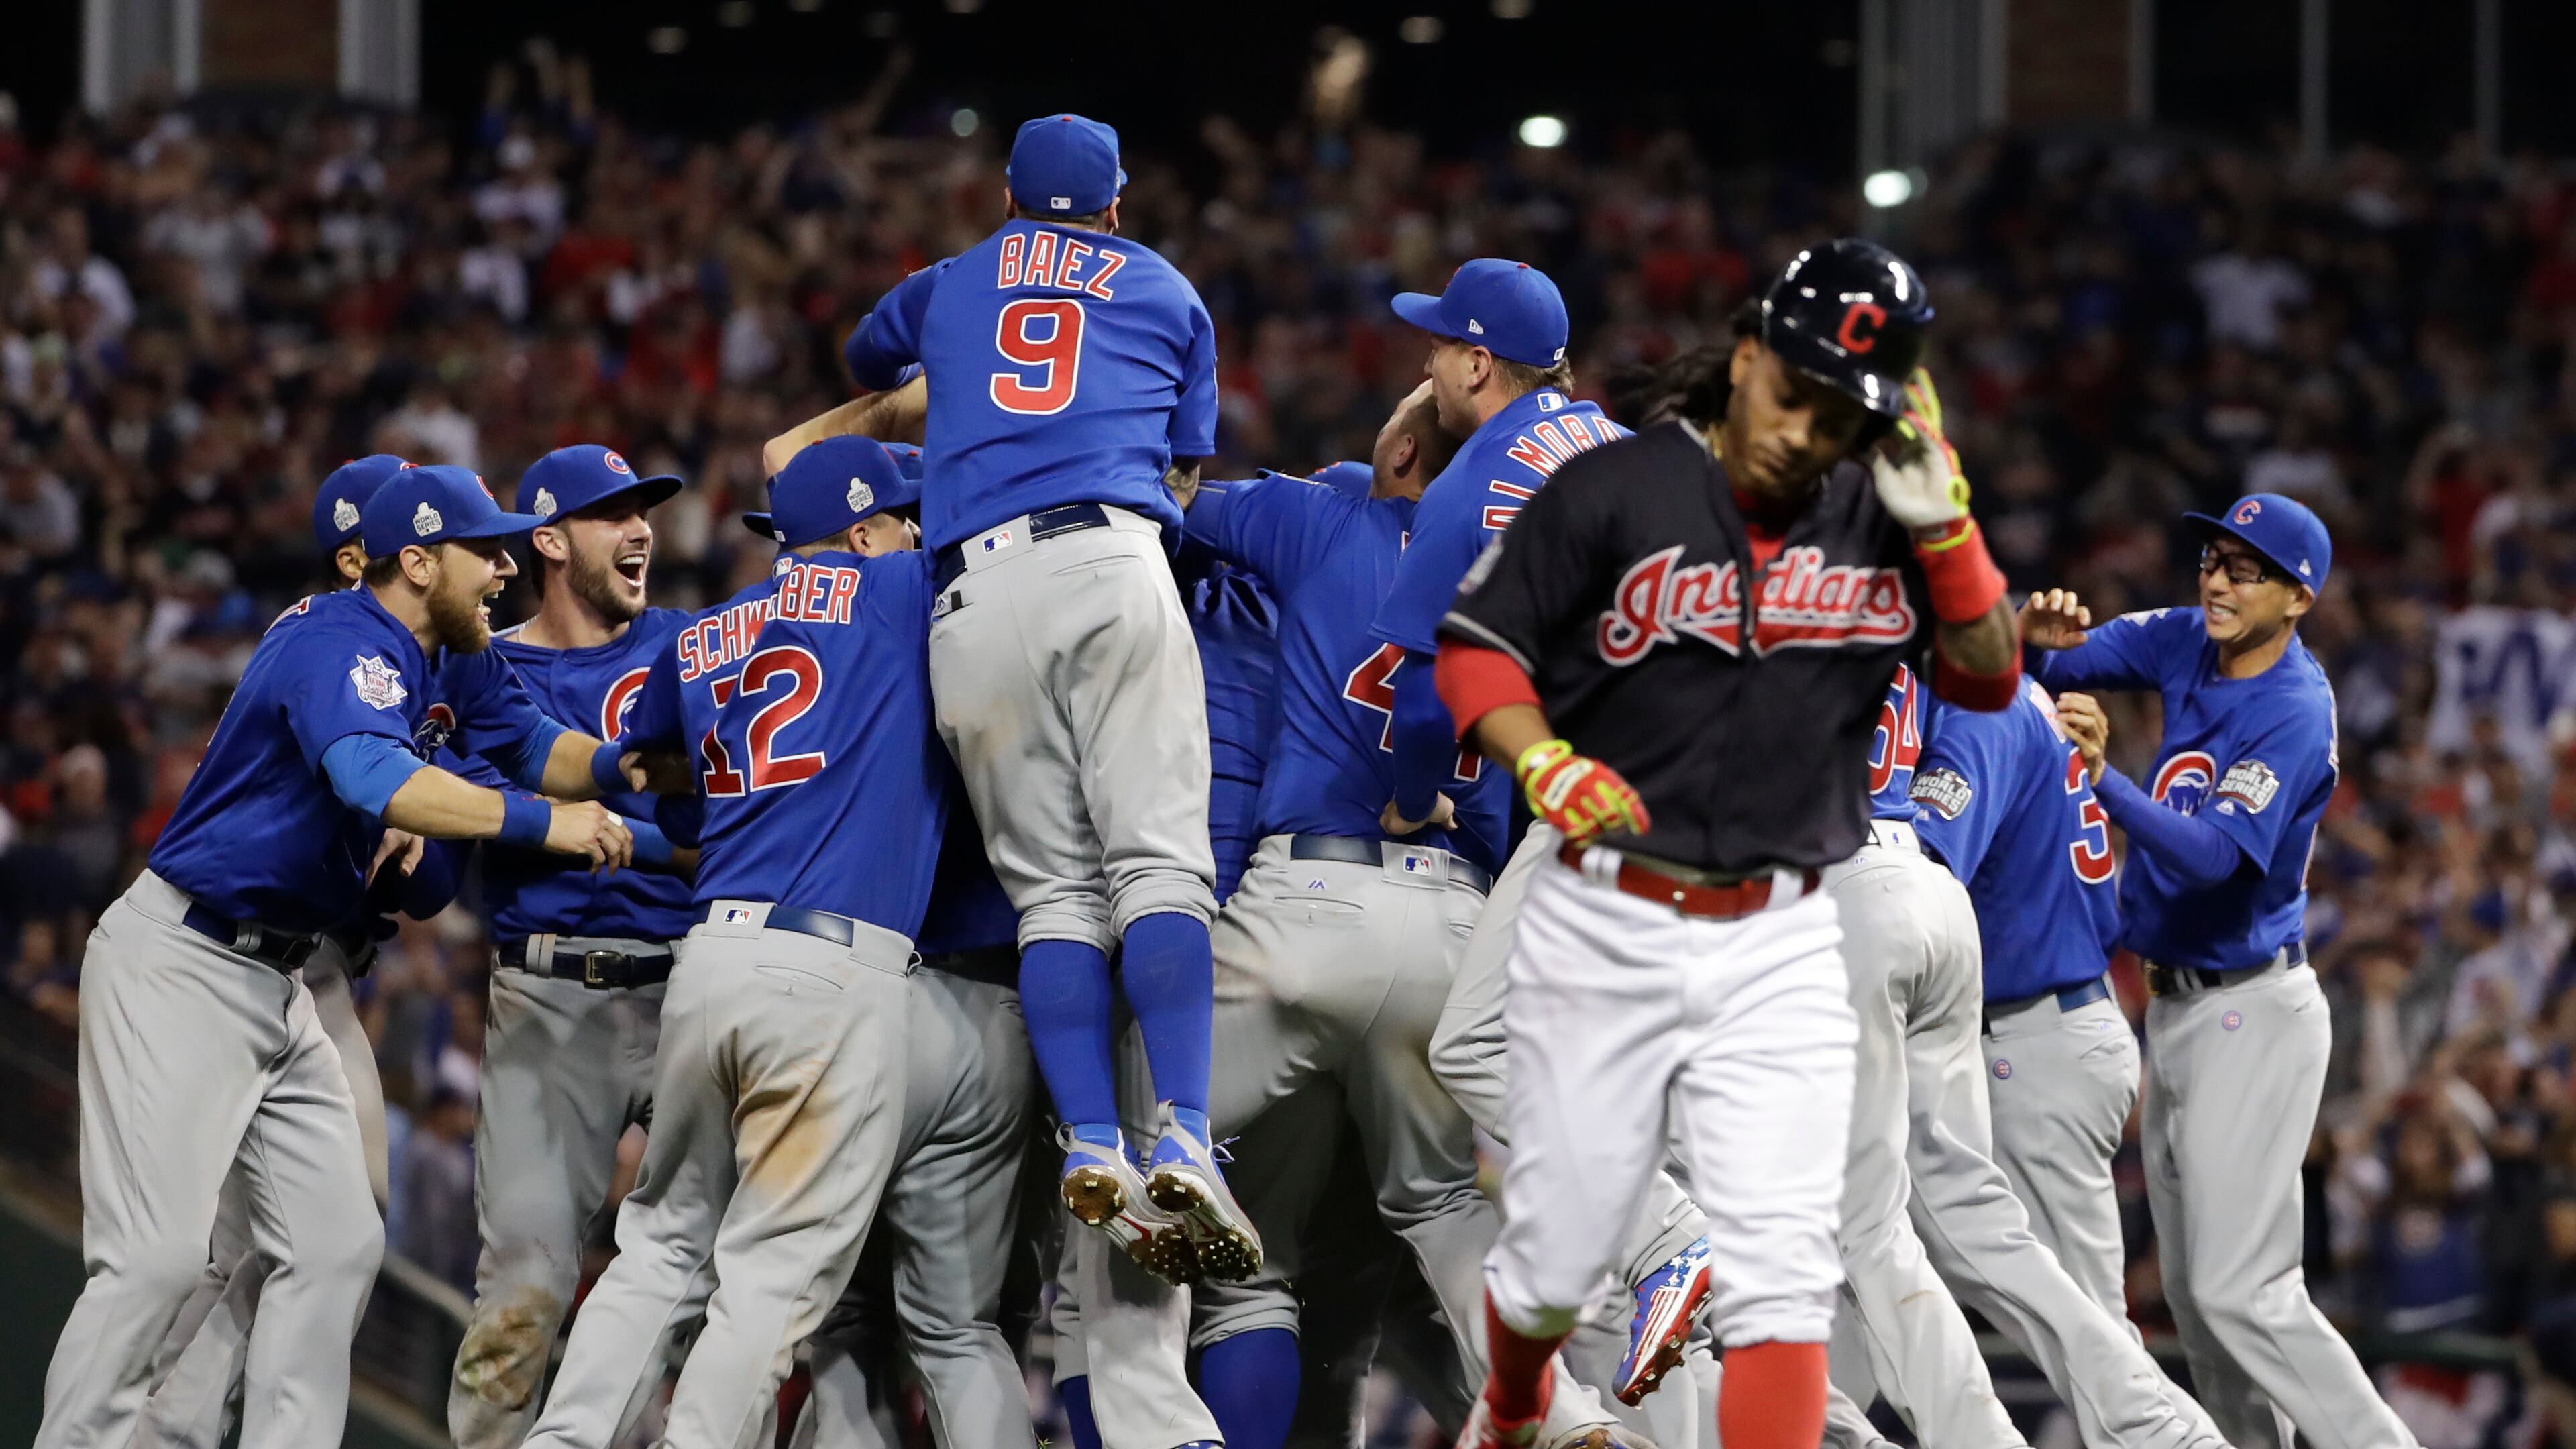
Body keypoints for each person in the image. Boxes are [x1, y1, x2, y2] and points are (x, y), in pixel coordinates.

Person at [1430, 239, 2023, 1449]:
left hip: (1782, 930)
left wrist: (1949, 527)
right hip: (1611, 885)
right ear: (1750, 359)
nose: (1811, 429)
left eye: (1843, 408)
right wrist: (1543, 758)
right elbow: (1476, 648)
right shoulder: (1626, 486)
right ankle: (1517, 1401)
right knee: (1545, 1252)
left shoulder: (1881, 509)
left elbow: (1991, 672)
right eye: (1796, 394)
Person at [36, 464, 636, 1449]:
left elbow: (539, 750)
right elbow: (372, 776)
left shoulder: (450, 649)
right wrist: (551, 826)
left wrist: (634, 771)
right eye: (482, 550)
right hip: (186, 962)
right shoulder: (340, 639)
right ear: (415, 562)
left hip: (287, 982)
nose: (504, 566)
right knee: (155, 1262)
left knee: (336, 1244)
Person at [838, 112, 1252, 1281]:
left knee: (1055, 899)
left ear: (1008, 195)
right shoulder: (1169, 289)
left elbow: (867, 361)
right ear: (1116, 203)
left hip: (968, 593)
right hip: (1106, 556)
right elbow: (1186, 463)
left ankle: (1090, 1140)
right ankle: (1181, 1127)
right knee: (1160, 869)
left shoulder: (952, 280)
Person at [521, 435, 942, 1449]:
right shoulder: (901, 595)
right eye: (900, 520)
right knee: (771, 1268)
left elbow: (651, 763)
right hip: (832, 969)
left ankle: (563, 1440)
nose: (917, 536)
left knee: (659, 1244)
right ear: (860, 531)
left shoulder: (704, 631)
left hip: (712, 957)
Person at [2033, 493, 2419, 1449]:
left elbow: (2212, 858)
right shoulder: (2182, 639)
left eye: (2245, 568)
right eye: (2213, 556)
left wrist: (2102, 779)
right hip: (2179, 1013)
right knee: (2203, 1312)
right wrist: (2033, 643)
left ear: (2299, 597)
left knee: (2243, 1291)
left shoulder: (2294, 707)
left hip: (2254, 1012)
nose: (2216, 577)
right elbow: (2051, 667)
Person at [131, 453, 463, 1449]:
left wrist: (411, 853)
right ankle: (159, 1430)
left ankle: (193, 1427)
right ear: (368, 558)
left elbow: (433, 886)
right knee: (216, 1241)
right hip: (233, 958)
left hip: (319, 975)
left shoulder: (434, 666)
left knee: (325, 1233)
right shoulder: (325, 646)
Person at [446, 443, 699, 1448]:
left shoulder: (695, 643)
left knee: (691, 1290)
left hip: (694, 991)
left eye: (646, 512)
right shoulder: (484, 669)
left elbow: (719, 828)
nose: (641, 530)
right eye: (613, 514)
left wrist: (612, 834)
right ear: (547, 540)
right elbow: (468, 827)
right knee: (524, 1287)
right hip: (548, 996)